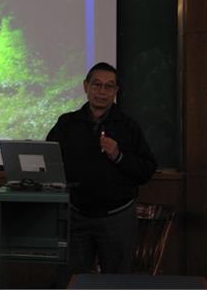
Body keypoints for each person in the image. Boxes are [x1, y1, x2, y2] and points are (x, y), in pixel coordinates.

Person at [46, 62, 157, 276]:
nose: (102, 92)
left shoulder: (128, 126)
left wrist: (118, 156)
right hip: (76, 216)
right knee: (71, 281)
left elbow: (146, 171)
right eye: (97, 85)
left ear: (116, 92)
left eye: (109, 86)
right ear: (85, 86)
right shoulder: (67, 123)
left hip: (117, 218)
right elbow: (49, 161)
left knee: (117, 282)